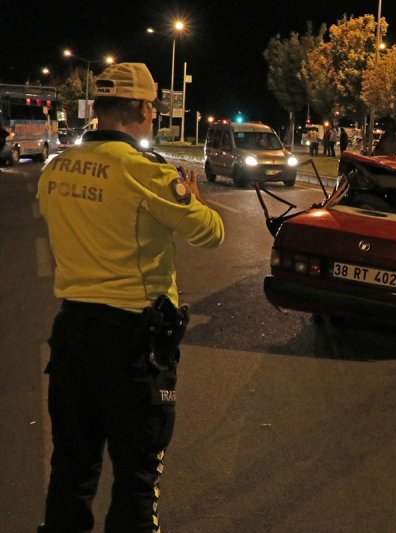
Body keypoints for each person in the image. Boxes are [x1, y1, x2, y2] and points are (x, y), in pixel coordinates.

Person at [36, 62, 225, 533]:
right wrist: (193, 198)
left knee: (71, 472)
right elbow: (211, 234)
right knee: (137, 480)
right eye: (152, 108)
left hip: (72, 337)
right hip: (132, 345)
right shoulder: (146, 172)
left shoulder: (55, 169)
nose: (154, 115)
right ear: (141, 108)